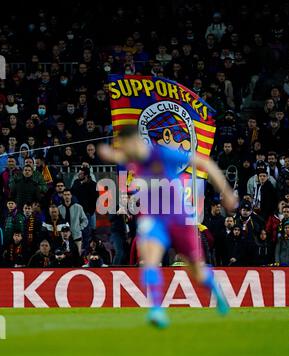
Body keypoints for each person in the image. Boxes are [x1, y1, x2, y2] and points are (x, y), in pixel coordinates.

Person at [98, 127, 237, 328]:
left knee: (196, 271)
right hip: (154, 219)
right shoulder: (132, 159)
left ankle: (214, 287)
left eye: (125, 145)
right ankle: (156, 310)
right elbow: (115, 154)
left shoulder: (162, 154)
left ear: (136, 141)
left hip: (180, 219)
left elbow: (204, 162)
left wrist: (228, 193)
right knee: (149, 260)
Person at [58, 189, 88, 255]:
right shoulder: (59, 208)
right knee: (64, 256)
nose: (67, 196)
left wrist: (79, 228)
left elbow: (85, 220)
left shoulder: (78, 207)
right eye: (65, 195)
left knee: (77, 255)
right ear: (62, 196)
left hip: (76, 236)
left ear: (71, 196)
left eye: (68, 194)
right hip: (64, 237)